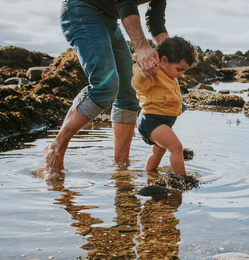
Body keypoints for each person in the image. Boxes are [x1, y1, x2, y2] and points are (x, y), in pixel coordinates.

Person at [44, 0, 169, 175]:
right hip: (82, 10)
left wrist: (171, 54)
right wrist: (141, 46)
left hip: (110, 21)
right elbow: (125, 1)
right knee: (105, 86)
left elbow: (155, 21)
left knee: (128, 94)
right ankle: (56, 145)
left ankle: (121, 166)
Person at [131, 36, 197, 175]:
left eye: (183, 71)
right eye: (179, 69)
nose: (180, 74)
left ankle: (149, 173)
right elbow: (138, 86)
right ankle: (182, 179)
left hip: (164, 122)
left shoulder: (170, 75)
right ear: (164, 60)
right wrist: (144, 73)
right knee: (176, 147)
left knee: (158, 152)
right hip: (151, 120)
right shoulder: (153, 73)